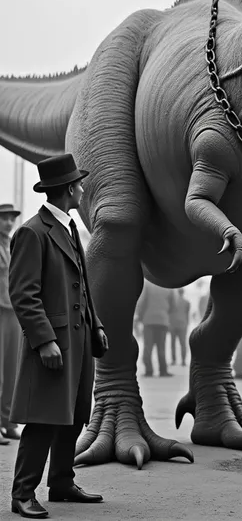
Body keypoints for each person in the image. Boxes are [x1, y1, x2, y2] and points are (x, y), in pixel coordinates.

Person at [8, 154, 108, 519]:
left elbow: (83, 284)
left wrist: (96, 325)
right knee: (44, 417)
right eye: (79, 184)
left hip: (79, 341)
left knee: (76, 412)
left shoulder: (67, 228)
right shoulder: (32, 232)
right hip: (53, 344)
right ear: (68, 189)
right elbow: (23, 294)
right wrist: (44, 340)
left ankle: (62, 483)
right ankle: (22, 494)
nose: (82, 188)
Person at [0, 203, 22, 445]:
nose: (8, 222)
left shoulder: (12, 245)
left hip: (13, 313)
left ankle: (8, 423)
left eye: (11, 218)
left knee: (11, 369)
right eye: (4, 218)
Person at [136, 279, 175, 377]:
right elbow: (173, 304)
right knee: (161, 348)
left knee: (148, 347)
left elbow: (142, 303)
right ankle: (163, 371)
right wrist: (166, 314)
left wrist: (140, 317)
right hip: (163, 321)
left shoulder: (148, 285)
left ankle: (149, 371)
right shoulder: (168, 285)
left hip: (148, 320)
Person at [169, 288, 190, 366]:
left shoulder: (173, 302)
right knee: (183, 343)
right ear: (183, 293)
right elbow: (187, 315)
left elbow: (169, 313)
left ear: (178, 293)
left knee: (173, 343)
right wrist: (187, 324)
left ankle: (174, 360)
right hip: (183, 325)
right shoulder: (187, 302)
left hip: (173, 325)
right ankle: (183, 361)